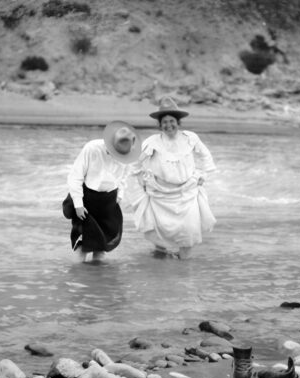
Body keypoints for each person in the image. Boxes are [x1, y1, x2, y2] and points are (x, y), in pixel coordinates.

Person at [132, 96, 216, 259]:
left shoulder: (190, 138)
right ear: (160, 124)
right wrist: (142, 180)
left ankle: (183, 272)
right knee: (159, 235)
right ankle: (160, 270)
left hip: (187, 193)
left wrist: (203, 175)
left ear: (178, 123)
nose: (168, 125)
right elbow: (135, 163)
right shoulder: (152, 142)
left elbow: (206, 156)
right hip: (160, 195)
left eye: (172, 121)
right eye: (164, 122)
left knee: (188, 233)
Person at [64, 121, 141, 263]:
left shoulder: (127, 153)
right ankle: (77, 280)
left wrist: (119, 196)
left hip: (108, 202)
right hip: (87, 199)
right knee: (83, 245)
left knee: (101, 246)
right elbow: (75, 176)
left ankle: (98, 280)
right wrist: (78, 204)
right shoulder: (92, 148)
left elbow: (123, 177)